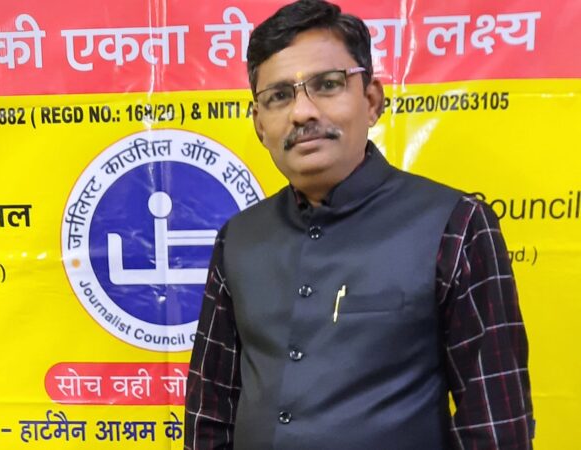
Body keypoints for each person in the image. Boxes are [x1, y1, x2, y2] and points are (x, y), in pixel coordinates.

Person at [185, 0, 534, 448]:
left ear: (371, 100)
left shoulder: (456, 226)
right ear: (259, 124)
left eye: (327, 85)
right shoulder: (238, 239)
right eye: (279, 96)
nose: (302, 113)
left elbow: (496, 427)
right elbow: (209, 414)